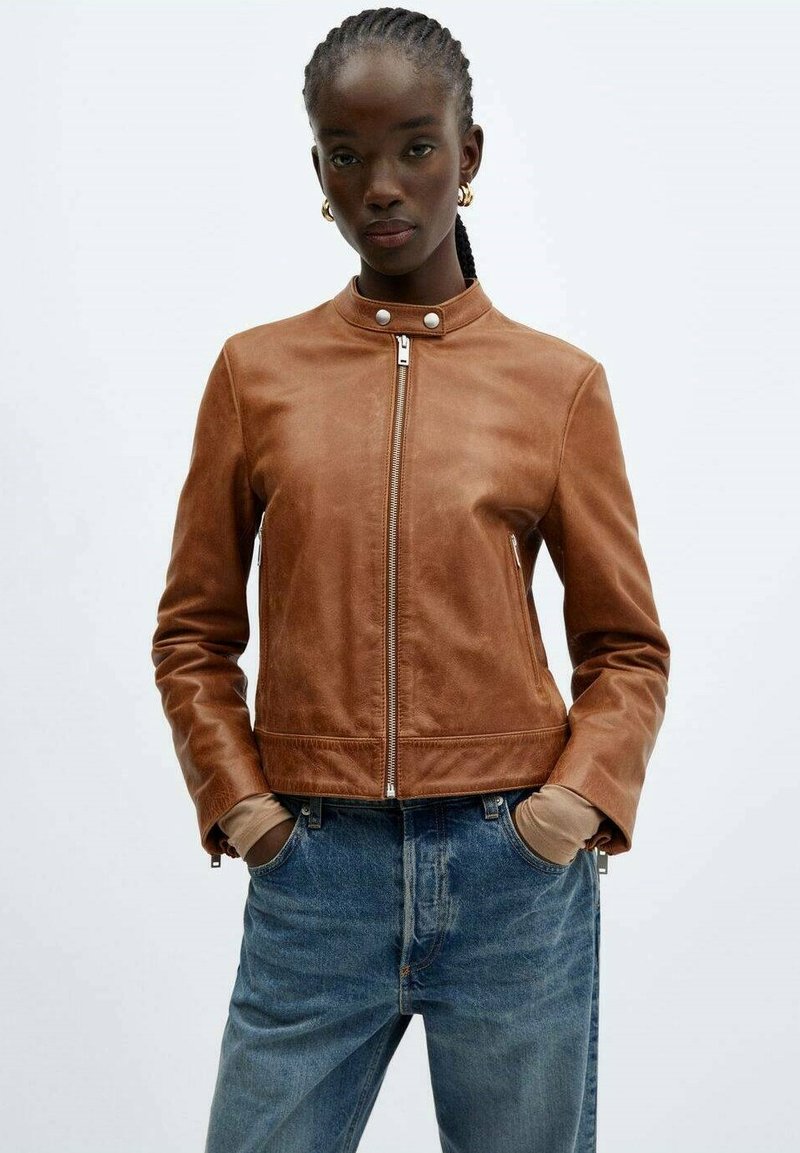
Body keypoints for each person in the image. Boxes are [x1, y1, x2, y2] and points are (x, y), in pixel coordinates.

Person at [151, 8, 670, 1151]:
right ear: (317, 172)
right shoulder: (255, 374)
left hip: (512, 873)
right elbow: (192, 632)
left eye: (415, 147)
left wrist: (568, 807)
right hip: (313, 870)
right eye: (346, 154)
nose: (379, 185)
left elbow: (626, 648)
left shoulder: (555, 385)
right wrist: (242, 806)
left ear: (465, 155)